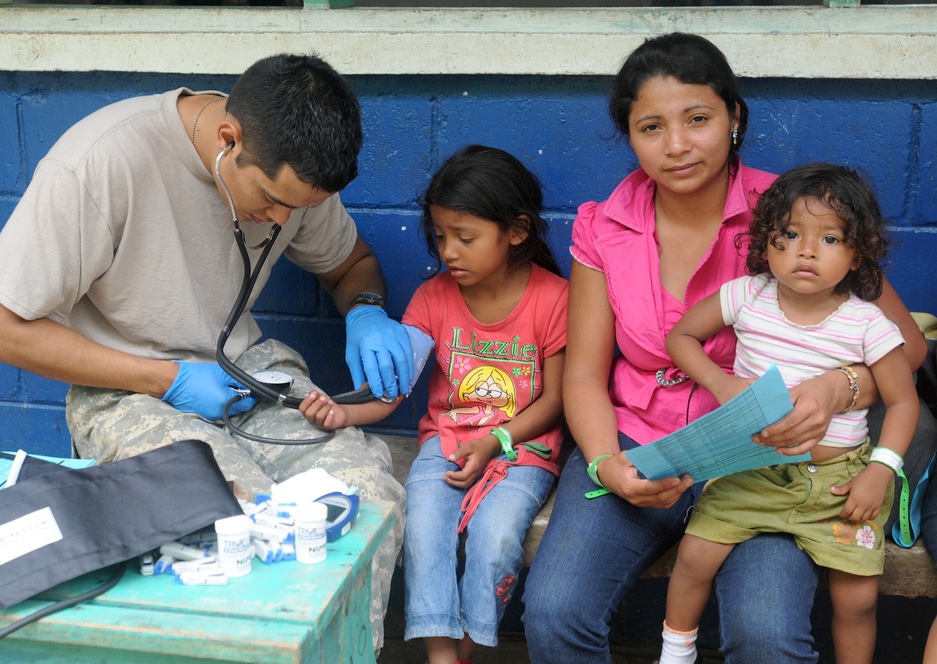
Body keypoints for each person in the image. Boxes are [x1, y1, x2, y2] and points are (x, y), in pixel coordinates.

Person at [0, 53, 411, 652]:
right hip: (126, 388)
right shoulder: (99, 162)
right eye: (273, 200)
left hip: (249, 375)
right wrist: (164, 377)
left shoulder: (293, 179)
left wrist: (366, 309)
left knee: (366, 499)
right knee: (231, 511)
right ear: (230, 139)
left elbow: (352, 264)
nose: (283, 219)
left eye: (298, 209)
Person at [521, 32, 929, 663]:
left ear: (734, 118)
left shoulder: (795, 216)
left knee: (766, 637)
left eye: (698, 119)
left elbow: (907, 349)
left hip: (767, 461)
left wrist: (839, 387)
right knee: (555, 613)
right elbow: (582, 375)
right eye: (651, 126)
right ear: (628, 135)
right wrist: (606, 466)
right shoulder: (604, 226)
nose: (677, 145)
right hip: (641, 445)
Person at [299, 145, 568, 664]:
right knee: (423, 530)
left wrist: (495, 441)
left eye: (465, 238)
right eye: (441, 236)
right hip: (445, 445)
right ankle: (441, 656)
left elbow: (556, 399)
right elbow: (396, 390)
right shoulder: (432, 298)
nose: (449, 251)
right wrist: (344, 413)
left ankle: (468, 646)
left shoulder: (555, 298)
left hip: (522, 449)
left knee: (495, 538)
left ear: (516, 231)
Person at [661, 163, 919, 664]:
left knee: (858, 598)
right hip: (749, 469)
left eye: (829, 238)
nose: (806, 250)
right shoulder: (747, 296)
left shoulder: (867, 322)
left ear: (857, 254)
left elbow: (904, 401)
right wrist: (721, 382)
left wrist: (879, 471)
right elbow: (681, 336)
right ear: (765, 241)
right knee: (694, 557)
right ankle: (675, 653)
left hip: (840, 483)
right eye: (790, 234)